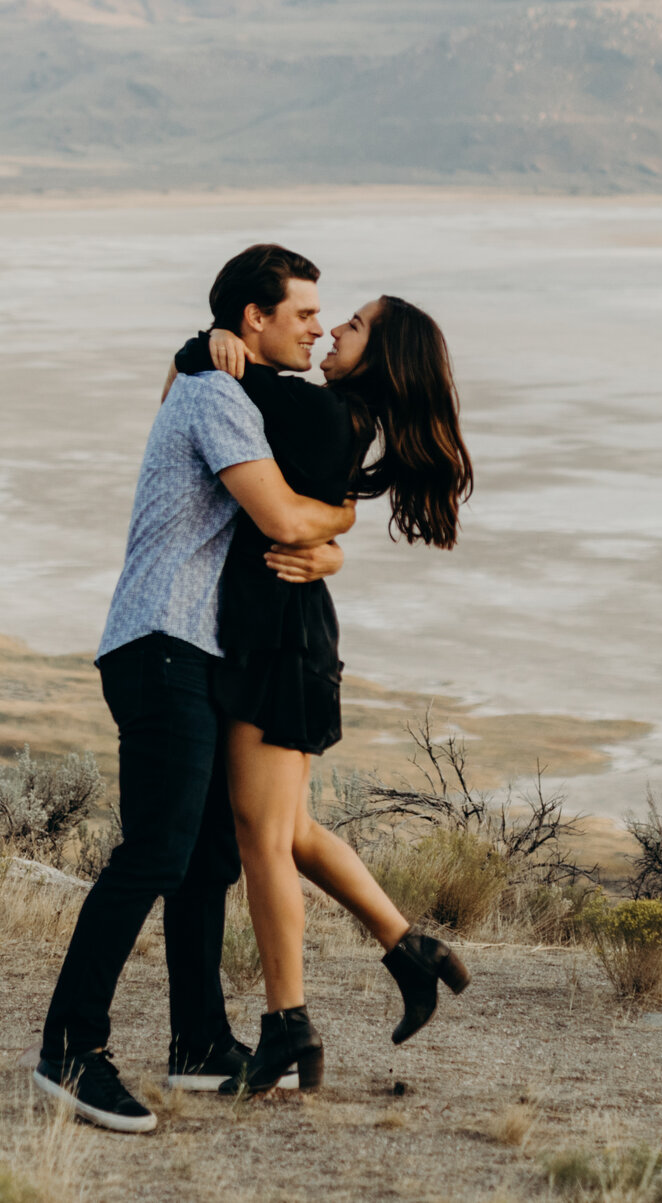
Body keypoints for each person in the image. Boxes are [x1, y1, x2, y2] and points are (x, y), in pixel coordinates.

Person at [30, 245, 356, 1134]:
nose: (320, 327)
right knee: (158, 851)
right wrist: (343, 523)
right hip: (159, 644)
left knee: (209, 857)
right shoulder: (218, 396)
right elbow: (283, 517)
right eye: (303, 314)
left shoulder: (215, 382)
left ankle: (202, 1046)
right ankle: (69, 1049)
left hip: (195, 650)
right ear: (253, 319)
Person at [172, 289, 477, 1096]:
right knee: (289, 827)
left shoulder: (319, 411)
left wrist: (207, 341)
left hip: (280, 642)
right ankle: (411, 949)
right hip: (288, 632)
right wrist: (332, 525)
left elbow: (203, 375)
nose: (333, 328)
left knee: (262, 838)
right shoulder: (341, 418)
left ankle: (288, 1024)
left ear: (381, 355)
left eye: (353, 325)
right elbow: (316, 506)